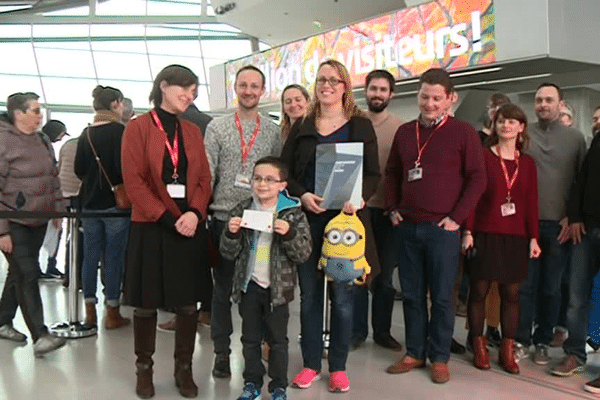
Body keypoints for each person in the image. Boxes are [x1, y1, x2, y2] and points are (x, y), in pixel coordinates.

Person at [281, 59, 380, 393]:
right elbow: (287, 173)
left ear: (345, 85)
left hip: (346, 225)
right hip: (309, 219)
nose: (326, 85)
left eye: (333, 80)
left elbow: (373, 173)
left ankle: (337, 366)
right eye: (321, 80)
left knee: (342, 297)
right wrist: (303, 194)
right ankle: (310, 364)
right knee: (309, 297)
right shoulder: (303, 124)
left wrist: (362, 197)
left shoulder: (360, 125)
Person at [384, 68, 486, 384]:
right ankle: (415, 352)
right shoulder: (405, 132)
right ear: (417, 95)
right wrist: (391, 208)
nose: (430, 104)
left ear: (449, 99)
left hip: (443, 231)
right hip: (408, 226)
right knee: (412, 295)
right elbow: (392, 173)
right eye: (424, 96)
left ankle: (439, 356)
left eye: (437, 98)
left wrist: (457, 218)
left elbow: (478, 178)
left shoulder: (464, 132)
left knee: (442, 297)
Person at [121, 64, 212, 398]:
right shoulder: (138, 128)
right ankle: (143, 371)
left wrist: (194, 213)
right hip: (152, 227)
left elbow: (203, 179)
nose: (189, 96)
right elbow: (134, 181)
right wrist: (167, 218)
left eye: (193, 91)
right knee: (146, 304)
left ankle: (183, 370)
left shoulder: (192, 131)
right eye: (183, 89)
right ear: (163, 86)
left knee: (188, 305)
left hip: (188, 226)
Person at [204, 65, 281, 379]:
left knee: (260, 285)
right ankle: (222, 351)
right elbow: (208, 172)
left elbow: (278, 175)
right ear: (235, 88)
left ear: (262, 91)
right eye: (243, 85)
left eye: (255, 86)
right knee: (222, 289)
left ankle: (262, 343)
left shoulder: (273, 130)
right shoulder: (217, 128)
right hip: (227, 221)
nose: (249, 91)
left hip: (261, 224)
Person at [220, 156, 311, 400]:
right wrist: (231, 234)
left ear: (283, 185)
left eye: (270, 180)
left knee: (278, 342)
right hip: (249, 286)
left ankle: (278, 386)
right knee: (249, 340)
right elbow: (227, 252)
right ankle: (251, 383)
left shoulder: (293, 213)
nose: (262, 185)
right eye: (258, 178)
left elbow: (304, 254)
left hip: (277, 290)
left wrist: (290, 234)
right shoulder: (242, 209)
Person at [462, 103, 541, 374]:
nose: (506, 125)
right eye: (501, 121)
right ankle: (479, 344)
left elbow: (531, 203)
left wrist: (534, 238)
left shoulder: (528, 163)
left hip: (516, 237)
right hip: (485, 233)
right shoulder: (484, 157)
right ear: (495, 126)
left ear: (521, 128)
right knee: (479, 292)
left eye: (512, 121)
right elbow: (473, 199)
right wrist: (468, 231)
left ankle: (507, 350)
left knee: (512, 294)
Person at [515, 83, 587, 365]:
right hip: (525, 226)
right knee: (525, 286)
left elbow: (581, 182)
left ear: (561, 104)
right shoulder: (523, 135)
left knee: (552, 288)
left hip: (560, 226)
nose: (543, 104)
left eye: (549, 100)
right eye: (539, 100)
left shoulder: (575, 138)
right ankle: (521, 339)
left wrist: (573, 216)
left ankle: (543, 340)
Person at [0, 92, 67, 356]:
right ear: (19, 114)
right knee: (28, 274)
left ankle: (2, 322)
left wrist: (58, 212)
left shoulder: (42, 140)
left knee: (19, 275)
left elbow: (53, 178)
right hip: (13, 222)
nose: (41, 116)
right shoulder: (3, 140)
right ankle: (40, 335)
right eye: (36, 111)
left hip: (38, 221)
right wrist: (1, 230)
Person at [352, 69, 404, 351]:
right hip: (357, 210)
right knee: (359, 273)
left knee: (384, 276)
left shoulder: (401, 128)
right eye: (373, 89)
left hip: (387, 211)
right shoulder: (354, 124)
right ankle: (357, 331)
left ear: (391, 94)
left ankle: (382, 331)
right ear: (366, 91)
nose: (377, 94)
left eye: (383, 90)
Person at [550, 106, 600, 386]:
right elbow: (581, 182)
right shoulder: (598, 141)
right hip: (587, 230)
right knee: (577, 297)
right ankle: (574, 353)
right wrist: (577, 217)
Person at [75, 85, 131, 330]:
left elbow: (79, 169)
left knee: (89, 258)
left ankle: (89, 312)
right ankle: (112, 312)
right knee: (114, 258)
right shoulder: (122, 132)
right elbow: (128, 169)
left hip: (89, 206)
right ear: (116, 103)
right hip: (116, 205)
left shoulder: (85, 133)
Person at [40, 119, 70, 280]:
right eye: (61, 134)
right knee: (53, 231)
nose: (61, 138)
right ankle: (50, 265)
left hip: (38, 199)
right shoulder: (44, 145)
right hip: (45, 199)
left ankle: (43, 266)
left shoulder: (40, 142)